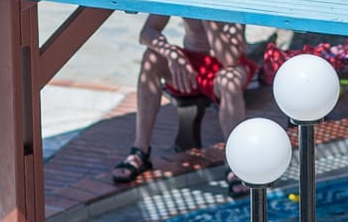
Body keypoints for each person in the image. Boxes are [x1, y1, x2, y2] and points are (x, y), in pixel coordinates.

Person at [110, 14, 257, 197]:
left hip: (226, 67)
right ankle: (140, 151)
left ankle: (235, 160)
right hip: (190, 65)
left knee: (230, 80)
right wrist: (170, 53)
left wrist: (209, 17)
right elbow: (146, 32)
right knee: (151, 57)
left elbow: (230, 58)